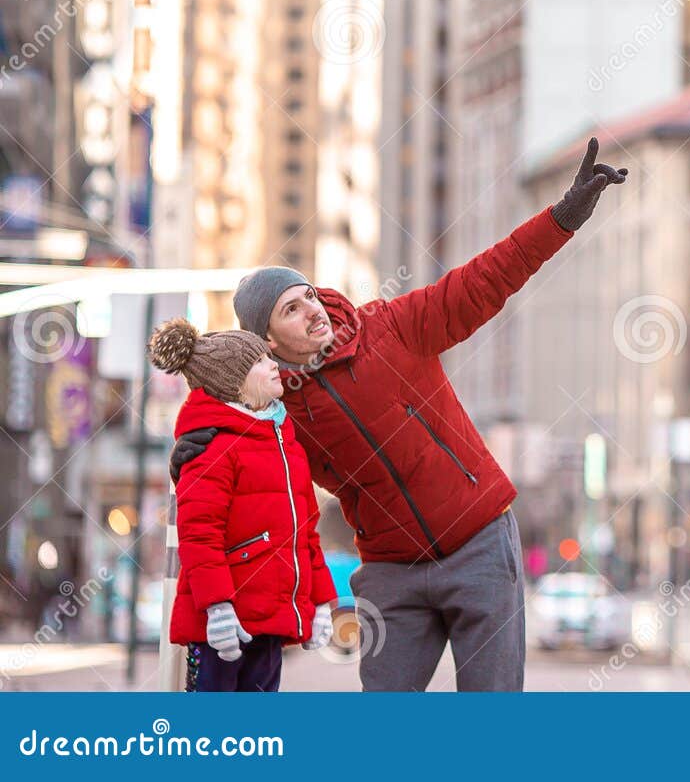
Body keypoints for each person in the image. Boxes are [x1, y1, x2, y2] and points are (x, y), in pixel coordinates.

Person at [169, 139, 626, 691]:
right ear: (267, 336)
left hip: (479, 542)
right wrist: (196, 441)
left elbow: (484, 280)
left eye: (308, 295)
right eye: (291, 308)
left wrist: (561, 219)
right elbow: (238, 441)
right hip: (391, 573)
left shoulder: (392, 327)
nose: (312, 309)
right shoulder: (278, 407)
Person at [150, 318, 336, 692]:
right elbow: (199, 535)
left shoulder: (286, 446)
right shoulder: (212, 448)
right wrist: (217, 606)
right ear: (233, 382)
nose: (274, 365)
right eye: (260, 361)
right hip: (223, 625)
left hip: (269, 621)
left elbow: (306, 535)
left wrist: (320, 602)